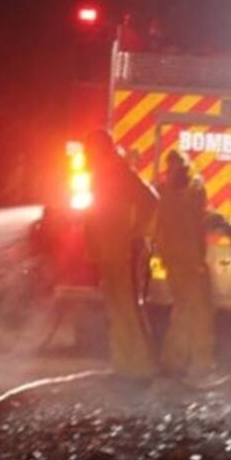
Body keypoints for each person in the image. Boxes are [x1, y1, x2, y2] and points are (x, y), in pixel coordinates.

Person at [82, 129, 160, 379]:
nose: (86, 156)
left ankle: (142, 366)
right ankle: (124, 364)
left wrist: (137, 235)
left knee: (127, 309)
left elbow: (151, 201)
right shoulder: (101, 175)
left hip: (124, 254)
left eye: (89, 151)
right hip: (110, 254)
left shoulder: (119, 172)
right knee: (116, 310)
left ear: (100, 149)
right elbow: (97, 215)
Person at [155, 149, 217, 383]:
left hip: (175, 261)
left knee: (183, 309)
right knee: (197, 313)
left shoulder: (162, 191)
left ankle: (175, 362)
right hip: (190, 262)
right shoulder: (194, 190)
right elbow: (198, 220)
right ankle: (198, 363)